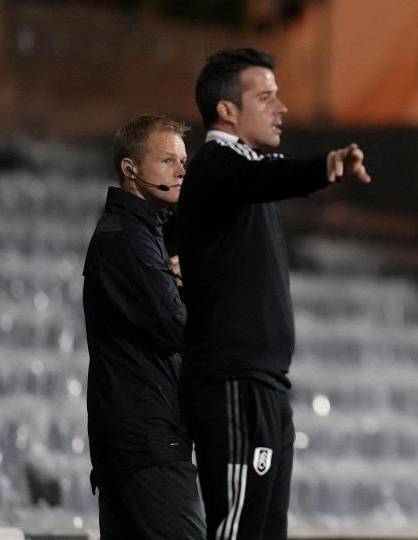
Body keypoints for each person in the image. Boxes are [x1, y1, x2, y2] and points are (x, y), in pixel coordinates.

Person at [176, 47, 370, 539]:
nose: (281, 108)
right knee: (237, 529)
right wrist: (325, 166)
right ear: (227, 110)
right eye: (265, 97)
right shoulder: (218, 165)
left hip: (262, 383)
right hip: (233, 381)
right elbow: (268, 177)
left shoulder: (240, 173)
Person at [83, 114, 205, 539]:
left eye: (184, 161)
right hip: (149, 441)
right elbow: (177, 329)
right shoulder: (129, 238)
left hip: (132, 441)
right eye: (168, 161)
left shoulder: (144, 233)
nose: (181, 171)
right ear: (130, 169)